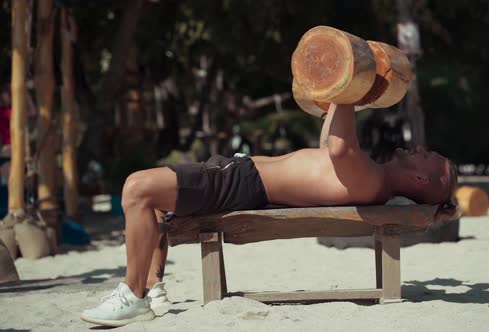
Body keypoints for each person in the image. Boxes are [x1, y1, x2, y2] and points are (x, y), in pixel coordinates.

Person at [81, 103, 458, 327]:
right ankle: (153, 287)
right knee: (158, 201)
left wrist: (348, 90)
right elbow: (331, 141)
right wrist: (340, 99)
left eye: (430, 156)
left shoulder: (372, 179)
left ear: (422, 177)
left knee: (136, 188)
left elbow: (341, 149)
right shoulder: (371, 175)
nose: (422, 148)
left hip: (243, 183)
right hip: (241, 177)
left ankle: (132, 296)